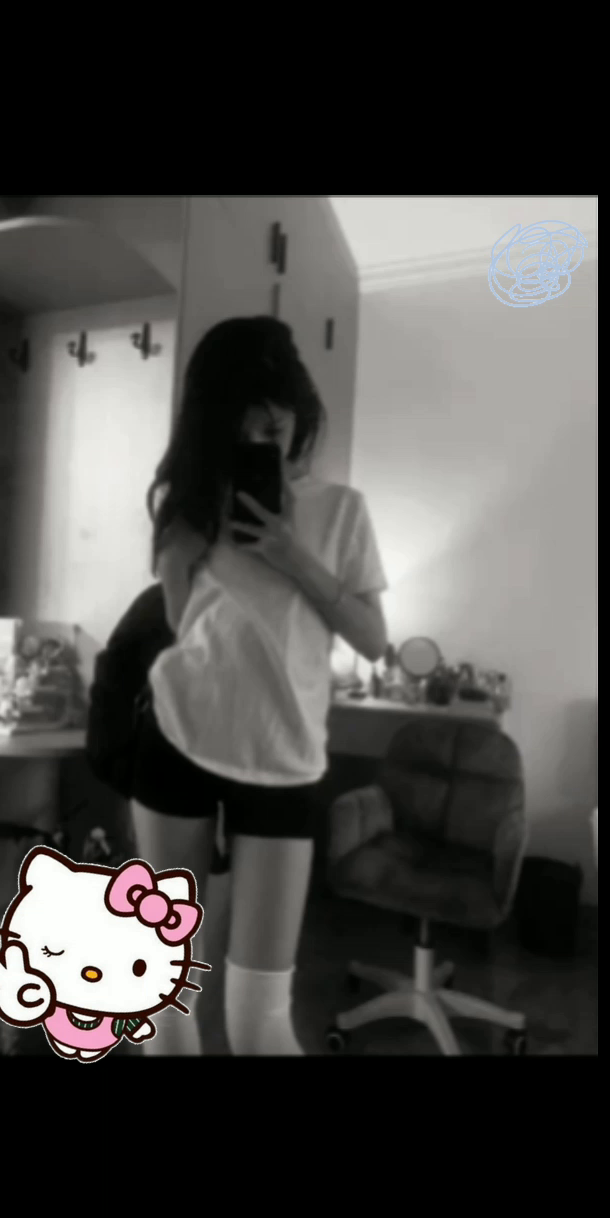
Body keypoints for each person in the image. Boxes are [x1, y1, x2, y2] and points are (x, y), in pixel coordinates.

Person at [132, 316, 388, 1055]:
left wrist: (288, 553)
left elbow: (374, 640)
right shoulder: (190, 504)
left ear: (299, 413)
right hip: (176, 737)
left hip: (284, 760)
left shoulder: (342, 510)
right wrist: (175, 563)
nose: (261, 434)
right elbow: (187, 631)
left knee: (259, 1018)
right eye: (241, 420)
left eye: (274, 420)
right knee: (165, 999)